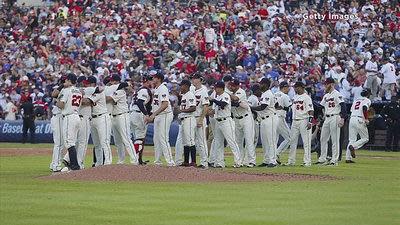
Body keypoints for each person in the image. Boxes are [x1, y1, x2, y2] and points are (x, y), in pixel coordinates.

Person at [209, 81, 242, 168]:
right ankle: (219, 162)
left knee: (231, 141)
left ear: (221, 88)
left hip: (226, 121)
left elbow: (223, 104)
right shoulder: (218, 96)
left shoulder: (225, 95)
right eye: (215, 87)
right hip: (218, 121)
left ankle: (238, 162)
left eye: (216, 87)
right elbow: (215, 108)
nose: (215, 89)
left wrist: (214, 100)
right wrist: (211, 111)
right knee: (218, 142)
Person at [145, 72, 175, 166]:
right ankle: (157, 161)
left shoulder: (163, 88)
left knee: (163, 138)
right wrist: (151, 115)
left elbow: (165, 104)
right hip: (158, 115)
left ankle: (170, 162)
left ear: (158, 79)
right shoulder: (156, 88)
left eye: (154, 77)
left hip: (165, 115)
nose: (152, 79)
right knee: (156, 139)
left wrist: (153, 115)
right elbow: (156, 105)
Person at [106, 80, 139, 165]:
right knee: (118, 142)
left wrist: (99, 97)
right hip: (115, 116)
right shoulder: (117, 91)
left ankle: (134, 160)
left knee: (126, 139)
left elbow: (109, 99)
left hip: (122, 116)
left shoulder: (121, 91)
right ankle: (121, 160)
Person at [316, 78, 346, 166]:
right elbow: (320, 107)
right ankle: (322, 158)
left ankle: (334, 160)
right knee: (323, 139)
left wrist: (343, 118)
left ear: (332, 84)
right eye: (325, 84)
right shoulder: (326, 96)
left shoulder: (337, 94)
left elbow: (343, 106)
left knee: (335, 139)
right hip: (327, 118)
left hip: (335, 116)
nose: (325, 86)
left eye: (326, 84)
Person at [83, 76, 112, 167]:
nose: (86, 85)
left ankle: (108, 162)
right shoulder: (91, 91)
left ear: (93, 84)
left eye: (88, 83)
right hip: (93, 119)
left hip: (102, 117)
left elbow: (87, 102)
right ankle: (99, 163)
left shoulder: (99, 92)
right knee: (97, 144)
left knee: (104, 141)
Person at [251, 78, 279, 167]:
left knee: (271, 140)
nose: (260, 85)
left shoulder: (268, 94)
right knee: (265, 141)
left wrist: (250, 107)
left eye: (261, 84)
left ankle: (273, 161)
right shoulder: (265, 94)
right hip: (264, 119)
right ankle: (267, 160)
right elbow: (277, 105)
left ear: (266, 84)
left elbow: (263, 107)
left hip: (270, 118)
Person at [229, 79, 256, 167]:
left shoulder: (241, 92)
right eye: (230, 85)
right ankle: (239, 161)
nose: (231, 87)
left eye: (232, 85)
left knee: (249, 139)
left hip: (246, 118)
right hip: (236, 119)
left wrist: (226, 93)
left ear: (237, 86)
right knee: (238, 141)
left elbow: (235, 99)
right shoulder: (231, 92)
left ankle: (251, 161)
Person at [57, 73, 82, 171]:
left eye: (66, 80)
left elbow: (61, 105)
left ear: (69, 81)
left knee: (69, 143)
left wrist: (56, 101)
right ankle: (71, 164)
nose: (64, 82)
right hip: (76, 116)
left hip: (69, 117)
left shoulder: (67, 90)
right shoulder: (79, 91)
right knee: (72, 142)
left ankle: (75, 166)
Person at [285, 81, 314, 166]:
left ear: (301, 87)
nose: (295, 88)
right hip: (295, 120)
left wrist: (310, 121)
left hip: (304, 120)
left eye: (296, 87)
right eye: (294, 87)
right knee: (292, 141)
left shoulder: (306, 97)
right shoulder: (295, 97)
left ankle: (307, 161)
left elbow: (311, 110)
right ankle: (291, 161)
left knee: (306, 142)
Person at [130, 75, 153, 165]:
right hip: (138, 114)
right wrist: (146, 114)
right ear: (146, 81)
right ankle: (136, 160)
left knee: (138, 138)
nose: (152, 82)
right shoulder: (144, 90)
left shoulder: (139, 90)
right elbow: (140, 102)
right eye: (150, 80)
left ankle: (139, 160)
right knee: (140, 139)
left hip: (133, 113)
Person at [346, 88, 372, 163]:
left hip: (352, 118)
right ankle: (354, 146)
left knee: (352, 139)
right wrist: (366, 119)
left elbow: (351, 110)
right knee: (365, 138)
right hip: (360, 119)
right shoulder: (367, 100)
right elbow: (364, 108)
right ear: (367, 94)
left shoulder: (356, 100)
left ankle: (348, 158)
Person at [191, 73, 210, 169]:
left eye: (194, 78)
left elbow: (206, 106)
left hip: (199, 117)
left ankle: (204, 162)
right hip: (192, 117)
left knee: (201, 141)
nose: (193, 80)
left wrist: (201, 119)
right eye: (192, 78)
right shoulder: (192, 89)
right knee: (192, 141)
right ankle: (192, 161)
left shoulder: (204, 90)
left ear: (199, 79)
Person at [177, 79, 197, 166]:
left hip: (189, 119)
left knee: (190, 141)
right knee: (185, 141)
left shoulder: (190, 95)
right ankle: (186, 162)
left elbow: (193, 108)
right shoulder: (184, 95)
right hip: (184, 119)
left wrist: (182, 110)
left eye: (181, 85)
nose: (180, 87)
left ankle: (193, 162)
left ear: (186, 86)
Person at [49, 77, 66, 172]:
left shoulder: (62, 90)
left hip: (59, 117)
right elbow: (54, 95)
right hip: (58, 117)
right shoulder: (61, 90)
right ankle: (56, 164)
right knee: (59, 143)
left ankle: (53, 163)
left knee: (60, 143)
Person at [275, 81, 292, 163]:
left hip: (272, 118)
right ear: (284, 87)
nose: (288, 89)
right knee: (289, 138)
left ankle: (271, 158)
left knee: (274, 140)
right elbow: (289, 108)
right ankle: (277, 154)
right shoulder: (285, 96)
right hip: (280, 118)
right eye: (288, 87)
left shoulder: (274, 94)